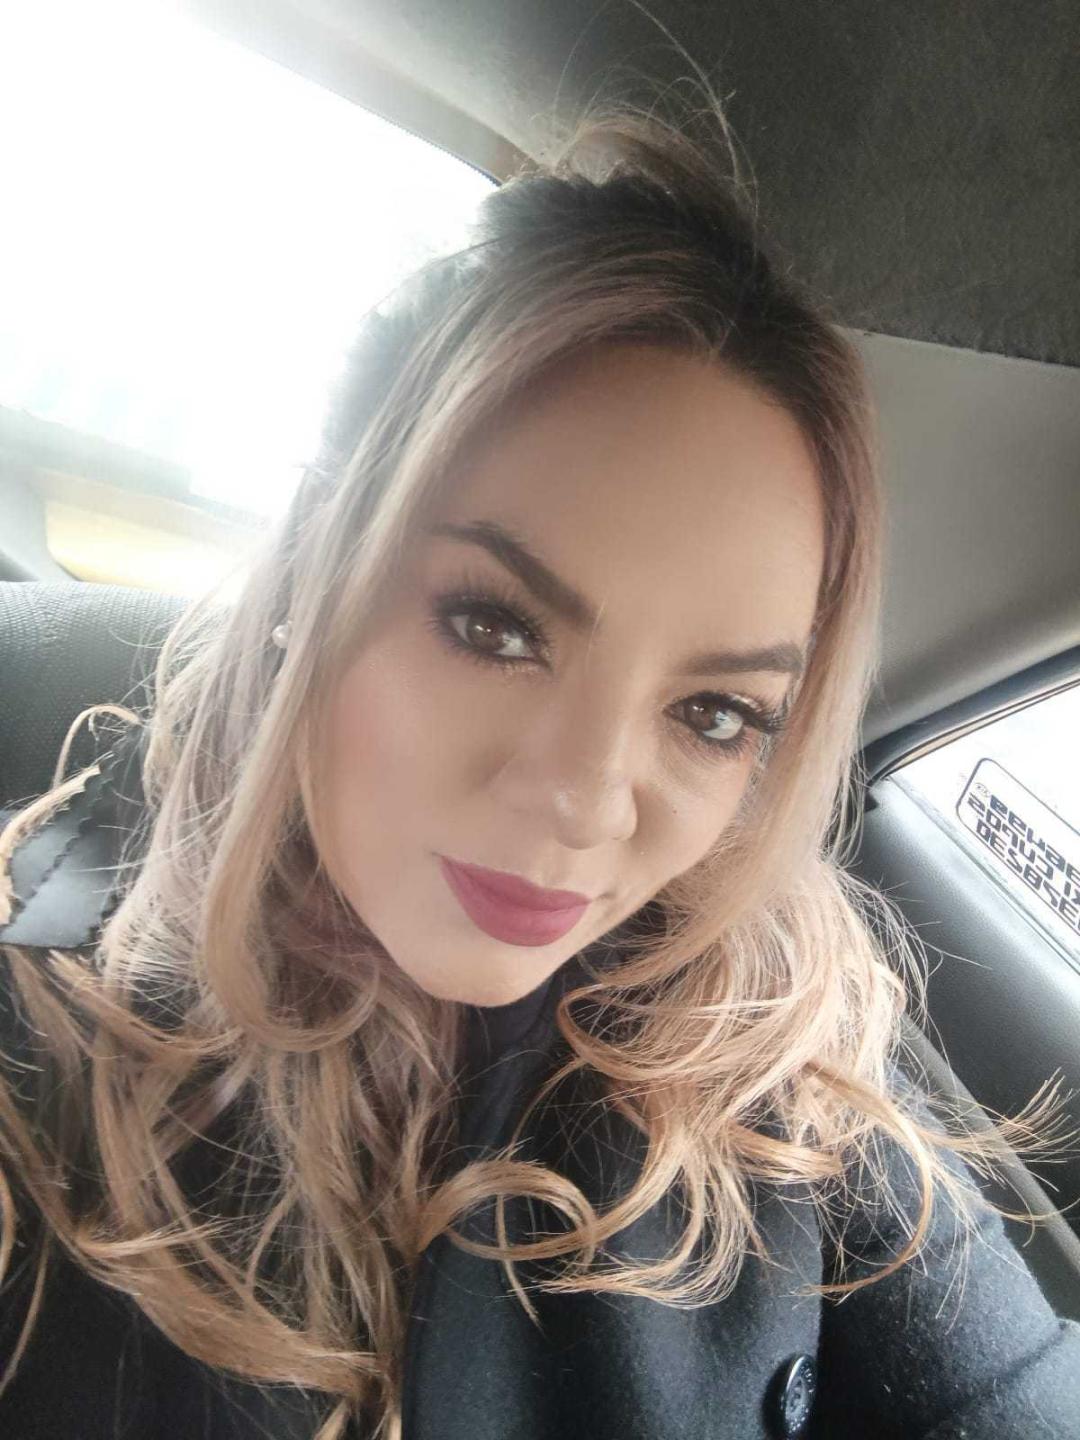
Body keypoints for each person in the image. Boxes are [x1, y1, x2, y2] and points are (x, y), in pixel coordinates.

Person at [1, 98, 1079, 1440]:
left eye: (715, 713)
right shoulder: (40, 1022)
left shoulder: (791, 1022)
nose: (586, 802)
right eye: (494, 629)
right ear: (319, 554)